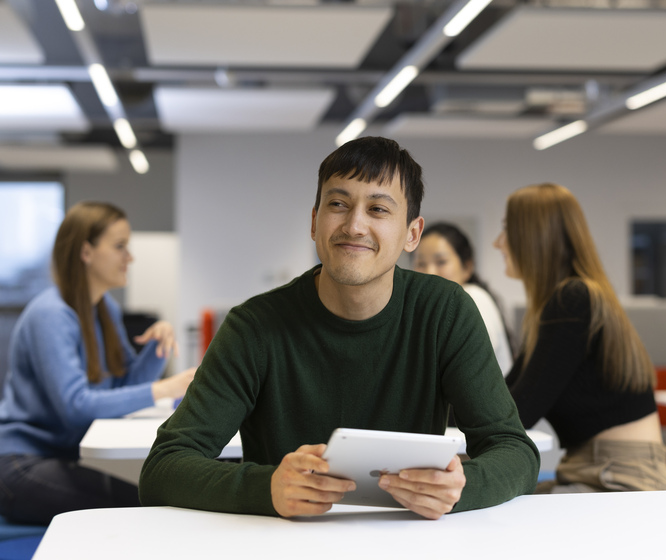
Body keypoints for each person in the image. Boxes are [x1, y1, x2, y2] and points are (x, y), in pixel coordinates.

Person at [140, 136, 539, 520]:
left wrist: (460, 486)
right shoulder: (255, 327)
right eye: (338, 203)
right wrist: (266, 487)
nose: (354, 225)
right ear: (315, 222)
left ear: (411, 234)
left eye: (379, 210)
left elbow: (515, 451)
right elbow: (163, 468)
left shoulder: (445, 312)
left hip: (408, 543)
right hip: (284, 546)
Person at [0, 201, 195, 525]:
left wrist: (155, 350)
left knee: (149, 498)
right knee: (143, 503)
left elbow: (124, 387)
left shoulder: (105, 309)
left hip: (58, 457)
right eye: (120, 247)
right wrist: (163, 388)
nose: (129, 258)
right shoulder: (51, 315)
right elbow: (75, 406)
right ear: (86, 252)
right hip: (19, 464)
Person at [494, 182, 666, 493]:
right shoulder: (556, 306)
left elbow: (518, 412)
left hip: (623, 475)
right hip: (591, 466)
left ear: (534, 237)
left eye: (508, 229)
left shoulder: (572, 299)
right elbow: (504, 395)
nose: (499, 243)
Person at [413, 222, 513, 375]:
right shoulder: (432, 310)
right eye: (421, 263)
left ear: (467, 267)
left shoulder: (473, 299)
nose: (429, 273)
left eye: (441, 262)